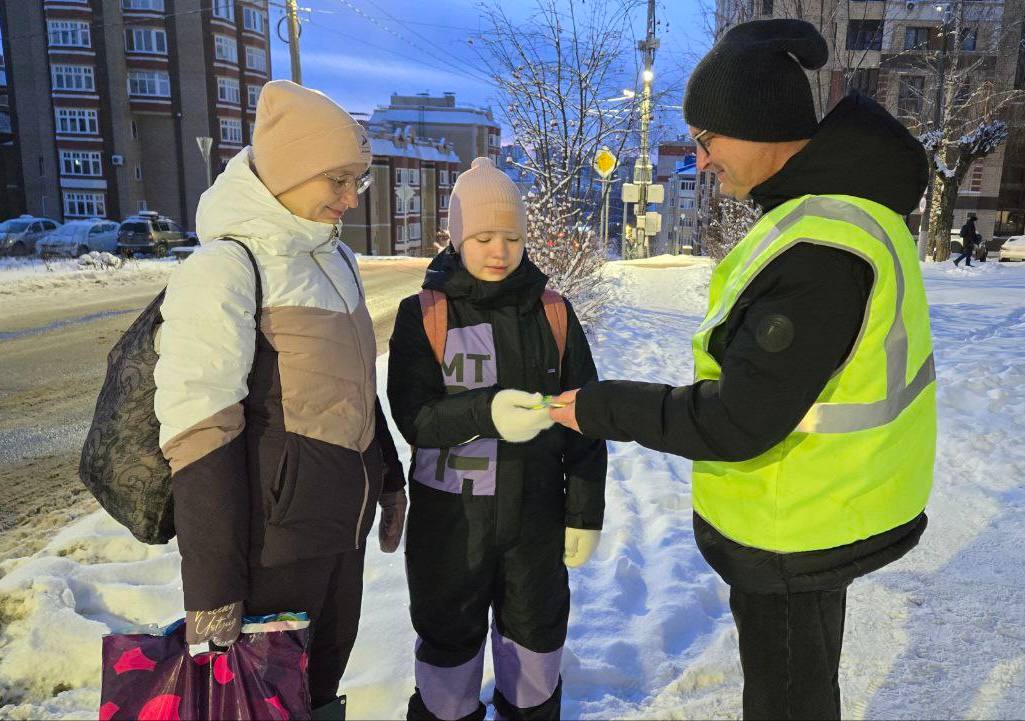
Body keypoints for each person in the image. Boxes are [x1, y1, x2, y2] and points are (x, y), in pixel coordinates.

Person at [550, 19, 936, 720]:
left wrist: (600, 407)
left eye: (707, 139)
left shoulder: (818, 250)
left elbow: (738, 419)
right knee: (802, 684)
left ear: (760, 126)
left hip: (795, 520)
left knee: (787, 697)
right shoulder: (827, 215)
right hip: (825, 503)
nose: (701, 160)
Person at [154, 80, 406, 721]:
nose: (351, 198)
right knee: (262, 706)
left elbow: (356, 387)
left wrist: (388, 478)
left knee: (318, 695)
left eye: (358, 180)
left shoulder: (335, 257)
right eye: (337, 180)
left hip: (339, 534)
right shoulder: (226, 268)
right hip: (271, 548)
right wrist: (212, 587)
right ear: (290, 171)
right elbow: (198, 430)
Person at [387, 157, 607, 721]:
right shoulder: (424, 314)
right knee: (448, 650)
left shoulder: (553, 314)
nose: (499, 251)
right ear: (458, 237)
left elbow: (586, 419)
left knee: (535, 645)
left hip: (535, 522)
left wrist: (585, 513)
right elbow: (414, 419)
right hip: (451, 527)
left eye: (512, 238)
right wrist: (484, 412)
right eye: (483, 238)